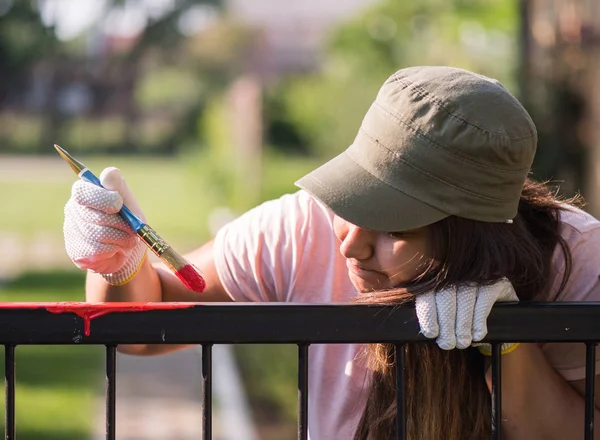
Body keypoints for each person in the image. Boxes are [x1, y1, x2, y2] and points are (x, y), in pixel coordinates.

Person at [62, 66, 600, 440]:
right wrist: (120, 261)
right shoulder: (302, 227)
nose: (351, 241)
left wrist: (508, 343)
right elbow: (142, 327)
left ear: (473, 236)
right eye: (352, 199)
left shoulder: (575, 258)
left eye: (394, 224)